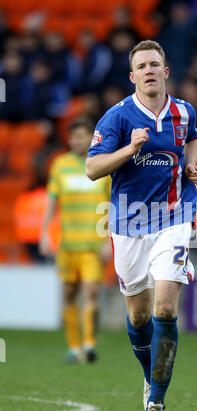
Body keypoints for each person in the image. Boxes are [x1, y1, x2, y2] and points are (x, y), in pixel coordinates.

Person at [86, 40, 197, 411]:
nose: (150, 70)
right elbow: (92, 168)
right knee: (138, 316)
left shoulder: (183, 111)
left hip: (173, 217)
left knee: (166, 309)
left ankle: (155, 402)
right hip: (128, 225)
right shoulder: (117, 118)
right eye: (142, 65)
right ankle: (150, 375)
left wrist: (191, 169)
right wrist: (129, 149)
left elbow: (192, 139)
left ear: (165, 71)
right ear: (133, 76)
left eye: (156, 63)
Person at [39, 119, 111, 363]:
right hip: (68, 243)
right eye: (73, 137)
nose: (77, 141)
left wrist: (107, 240)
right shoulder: (60, 165)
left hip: (92, 244)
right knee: (69, 295)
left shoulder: (102, 165)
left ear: (92, 137)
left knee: (90, 292)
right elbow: (51, 201)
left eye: (82, 136)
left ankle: (89, 344)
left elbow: (110, 205)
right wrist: (45, 233)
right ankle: (73, 346)